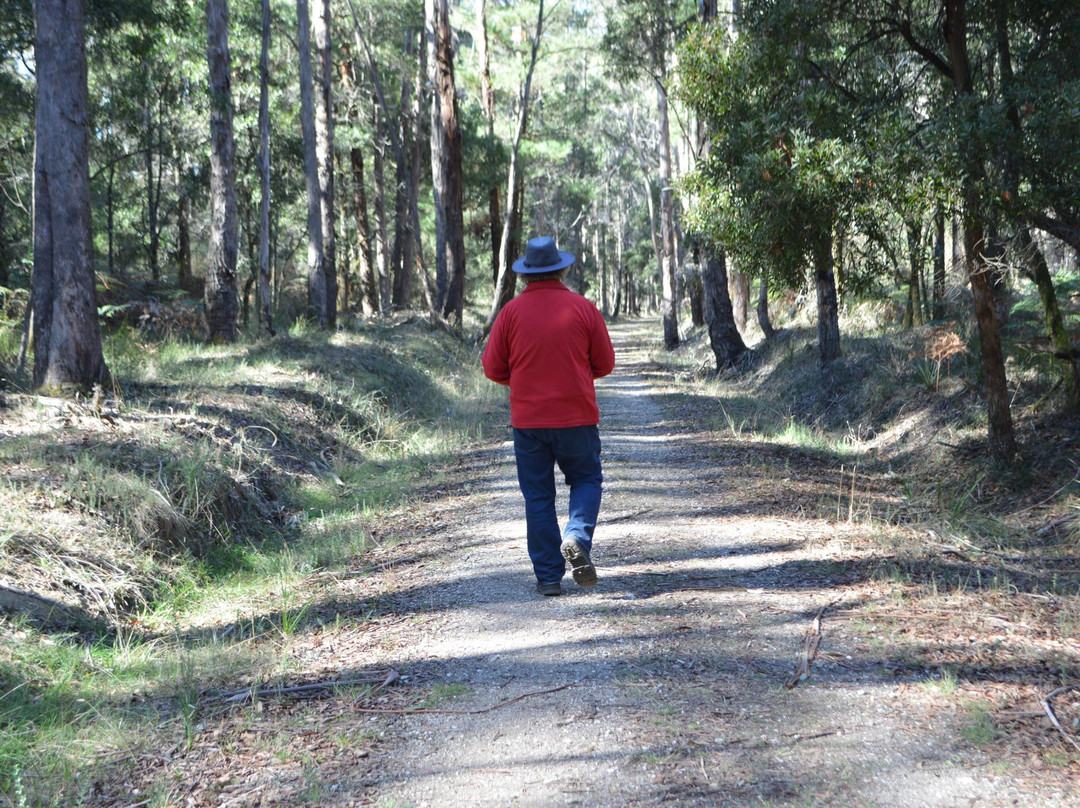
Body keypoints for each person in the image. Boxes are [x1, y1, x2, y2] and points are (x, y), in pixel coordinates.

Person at [482, 236, 616, 596]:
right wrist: (575, 373)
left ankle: (548, 578)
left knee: (538, 496)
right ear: (562, 270)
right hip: (577, 417)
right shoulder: (583, 308)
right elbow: (605, 364)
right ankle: (577, 536)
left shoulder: (510, 313)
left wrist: (523, 380)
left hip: (529, 422)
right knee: (586, 478)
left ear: (525, 274)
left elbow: (492, 368)